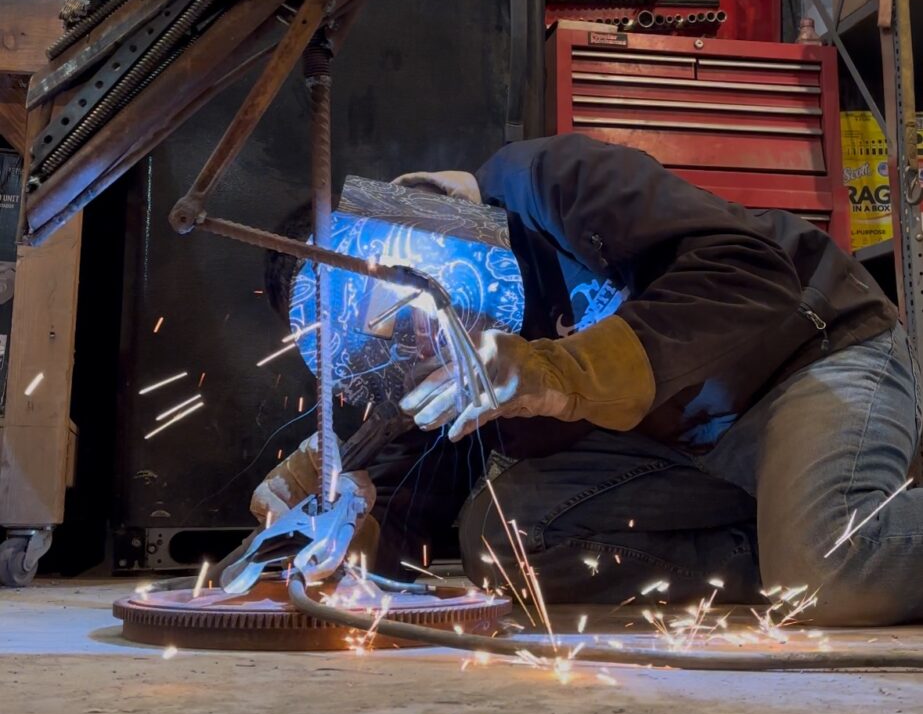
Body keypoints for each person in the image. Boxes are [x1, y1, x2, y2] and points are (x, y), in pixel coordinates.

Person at [252, 136, 923, 626]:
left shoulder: (546, 180)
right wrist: (339, 534)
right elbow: (411, 509)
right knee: (503, 534)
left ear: (415, 221)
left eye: (405, 317)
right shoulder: (437, 357)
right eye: (388, 349)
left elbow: (751, 273)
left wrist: (559, 373)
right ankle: (783, 541)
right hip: (687, 450)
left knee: (832, 578)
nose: (418, 343)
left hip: (804, 360)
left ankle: (807, 544)